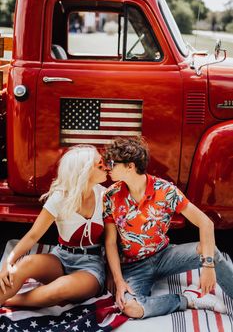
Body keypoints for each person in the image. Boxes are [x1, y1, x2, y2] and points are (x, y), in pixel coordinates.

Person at [103, 137, 233, 319]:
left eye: (112, 163)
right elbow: (110, 243)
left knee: (209, 250)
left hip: (165, 256)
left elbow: (206, 223)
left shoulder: (165, 191)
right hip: (133, 266)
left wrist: (208, 266)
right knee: (131, 308)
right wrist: (118, 279)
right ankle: (188, 299)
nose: (108, 168)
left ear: (130, 166)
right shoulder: (110, 196)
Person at [0, 145, 107, 307]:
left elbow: (114, 241)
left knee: (61, 288)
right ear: (84, 171)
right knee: (24, 264)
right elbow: (33, 235)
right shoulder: (60, 197)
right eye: (99, 164)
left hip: (90, 266)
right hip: (61, 257)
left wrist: (115, 275)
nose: (106, 167)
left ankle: (10, 301)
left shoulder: (105, 196)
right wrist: (8, 262)